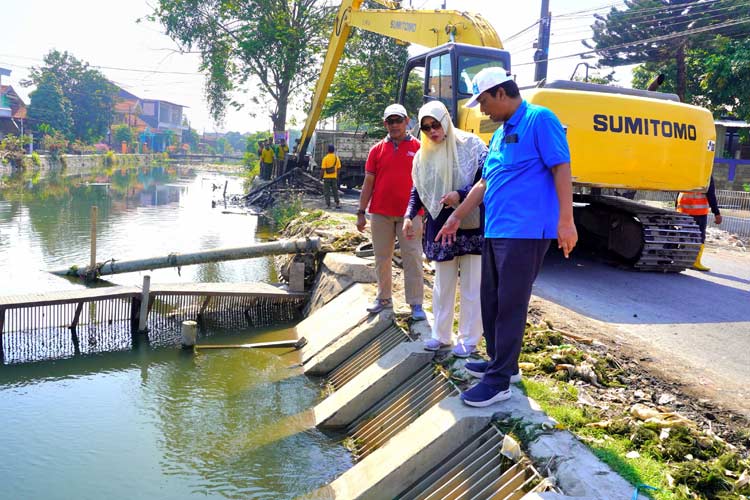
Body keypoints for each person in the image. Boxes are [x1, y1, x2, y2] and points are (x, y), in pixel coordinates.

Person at [436, 67, 578, 407]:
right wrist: (456, 216)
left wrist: (567, 221)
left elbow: (562, 167)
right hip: (496, 229)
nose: (482, 109)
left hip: (526, 231)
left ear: (501, 93)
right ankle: (503, 363)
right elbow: (484, 183)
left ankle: (498, 383)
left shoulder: (539, 120)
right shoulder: (500, 134)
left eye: (483, 101)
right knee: (492, 301)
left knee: (511, 304)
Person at [403, 100, 487, 357]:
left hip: (470, 224)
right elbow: (418, 188)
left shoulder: (471, 146)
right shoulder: (423, 155)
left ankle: (470, 340)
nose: (432, 131)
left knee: (473, 285)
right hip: (440, 226)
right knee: (442, 284)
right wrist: (409, 215)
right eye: (426, 127)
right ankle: (441, 336)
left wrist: (460, 195)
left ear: (446, 120)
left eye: (435, 124)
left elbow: (485, 179)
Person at [356, 103, 426, 321]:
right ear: (385, 124)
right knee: (382, 257)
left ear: (407, 121)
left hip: (411, 215)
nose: (395, 125)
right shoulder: (377, 150)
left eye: (399, 120)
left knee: (413, 257)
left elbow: (426, 182)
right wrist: (360, 212)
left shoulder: (420, 148)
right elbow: (368, 182)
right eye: (390, 121)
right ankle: (384, 298)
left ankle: (415, 303)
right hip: (380, 214)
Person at [676, 175, 722, 271]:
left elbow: (677, 189)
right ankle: (696, 262)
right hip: (698, 211)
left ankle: (679, 259)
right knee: (699, 237)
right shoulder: (706, 174)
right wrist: (716, 213)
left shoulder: (686, 172)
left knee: (683, 234)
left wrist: (676, 207)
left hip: (683, 209)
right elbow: (711, 194)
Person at [321, 144, 342, 209]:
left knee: (327, 191)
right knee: (335, 191)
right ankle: (337, 203)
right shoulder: (336, 158)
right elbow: (338, 168)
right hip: (334, 177)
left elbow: (323, 169)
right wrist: (337, 176)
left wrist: (321, 177)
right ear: (333, 150)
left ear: (328, 150)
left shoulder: (325, 158)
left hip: (326, 177)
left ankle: (328, 205)